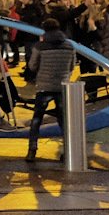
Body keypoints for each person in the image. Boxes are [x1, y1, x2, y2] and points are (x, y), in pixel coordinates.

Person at [24, 19, 78, 161]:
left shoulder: (40, 47)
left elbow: (32, 66)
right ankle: (68, 150)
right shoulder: (69, 46)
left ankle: (32, 150)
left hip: (44, 87)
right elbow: (72, 66)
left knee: (37, 119)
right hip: (62, 87)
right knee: (63, 119)